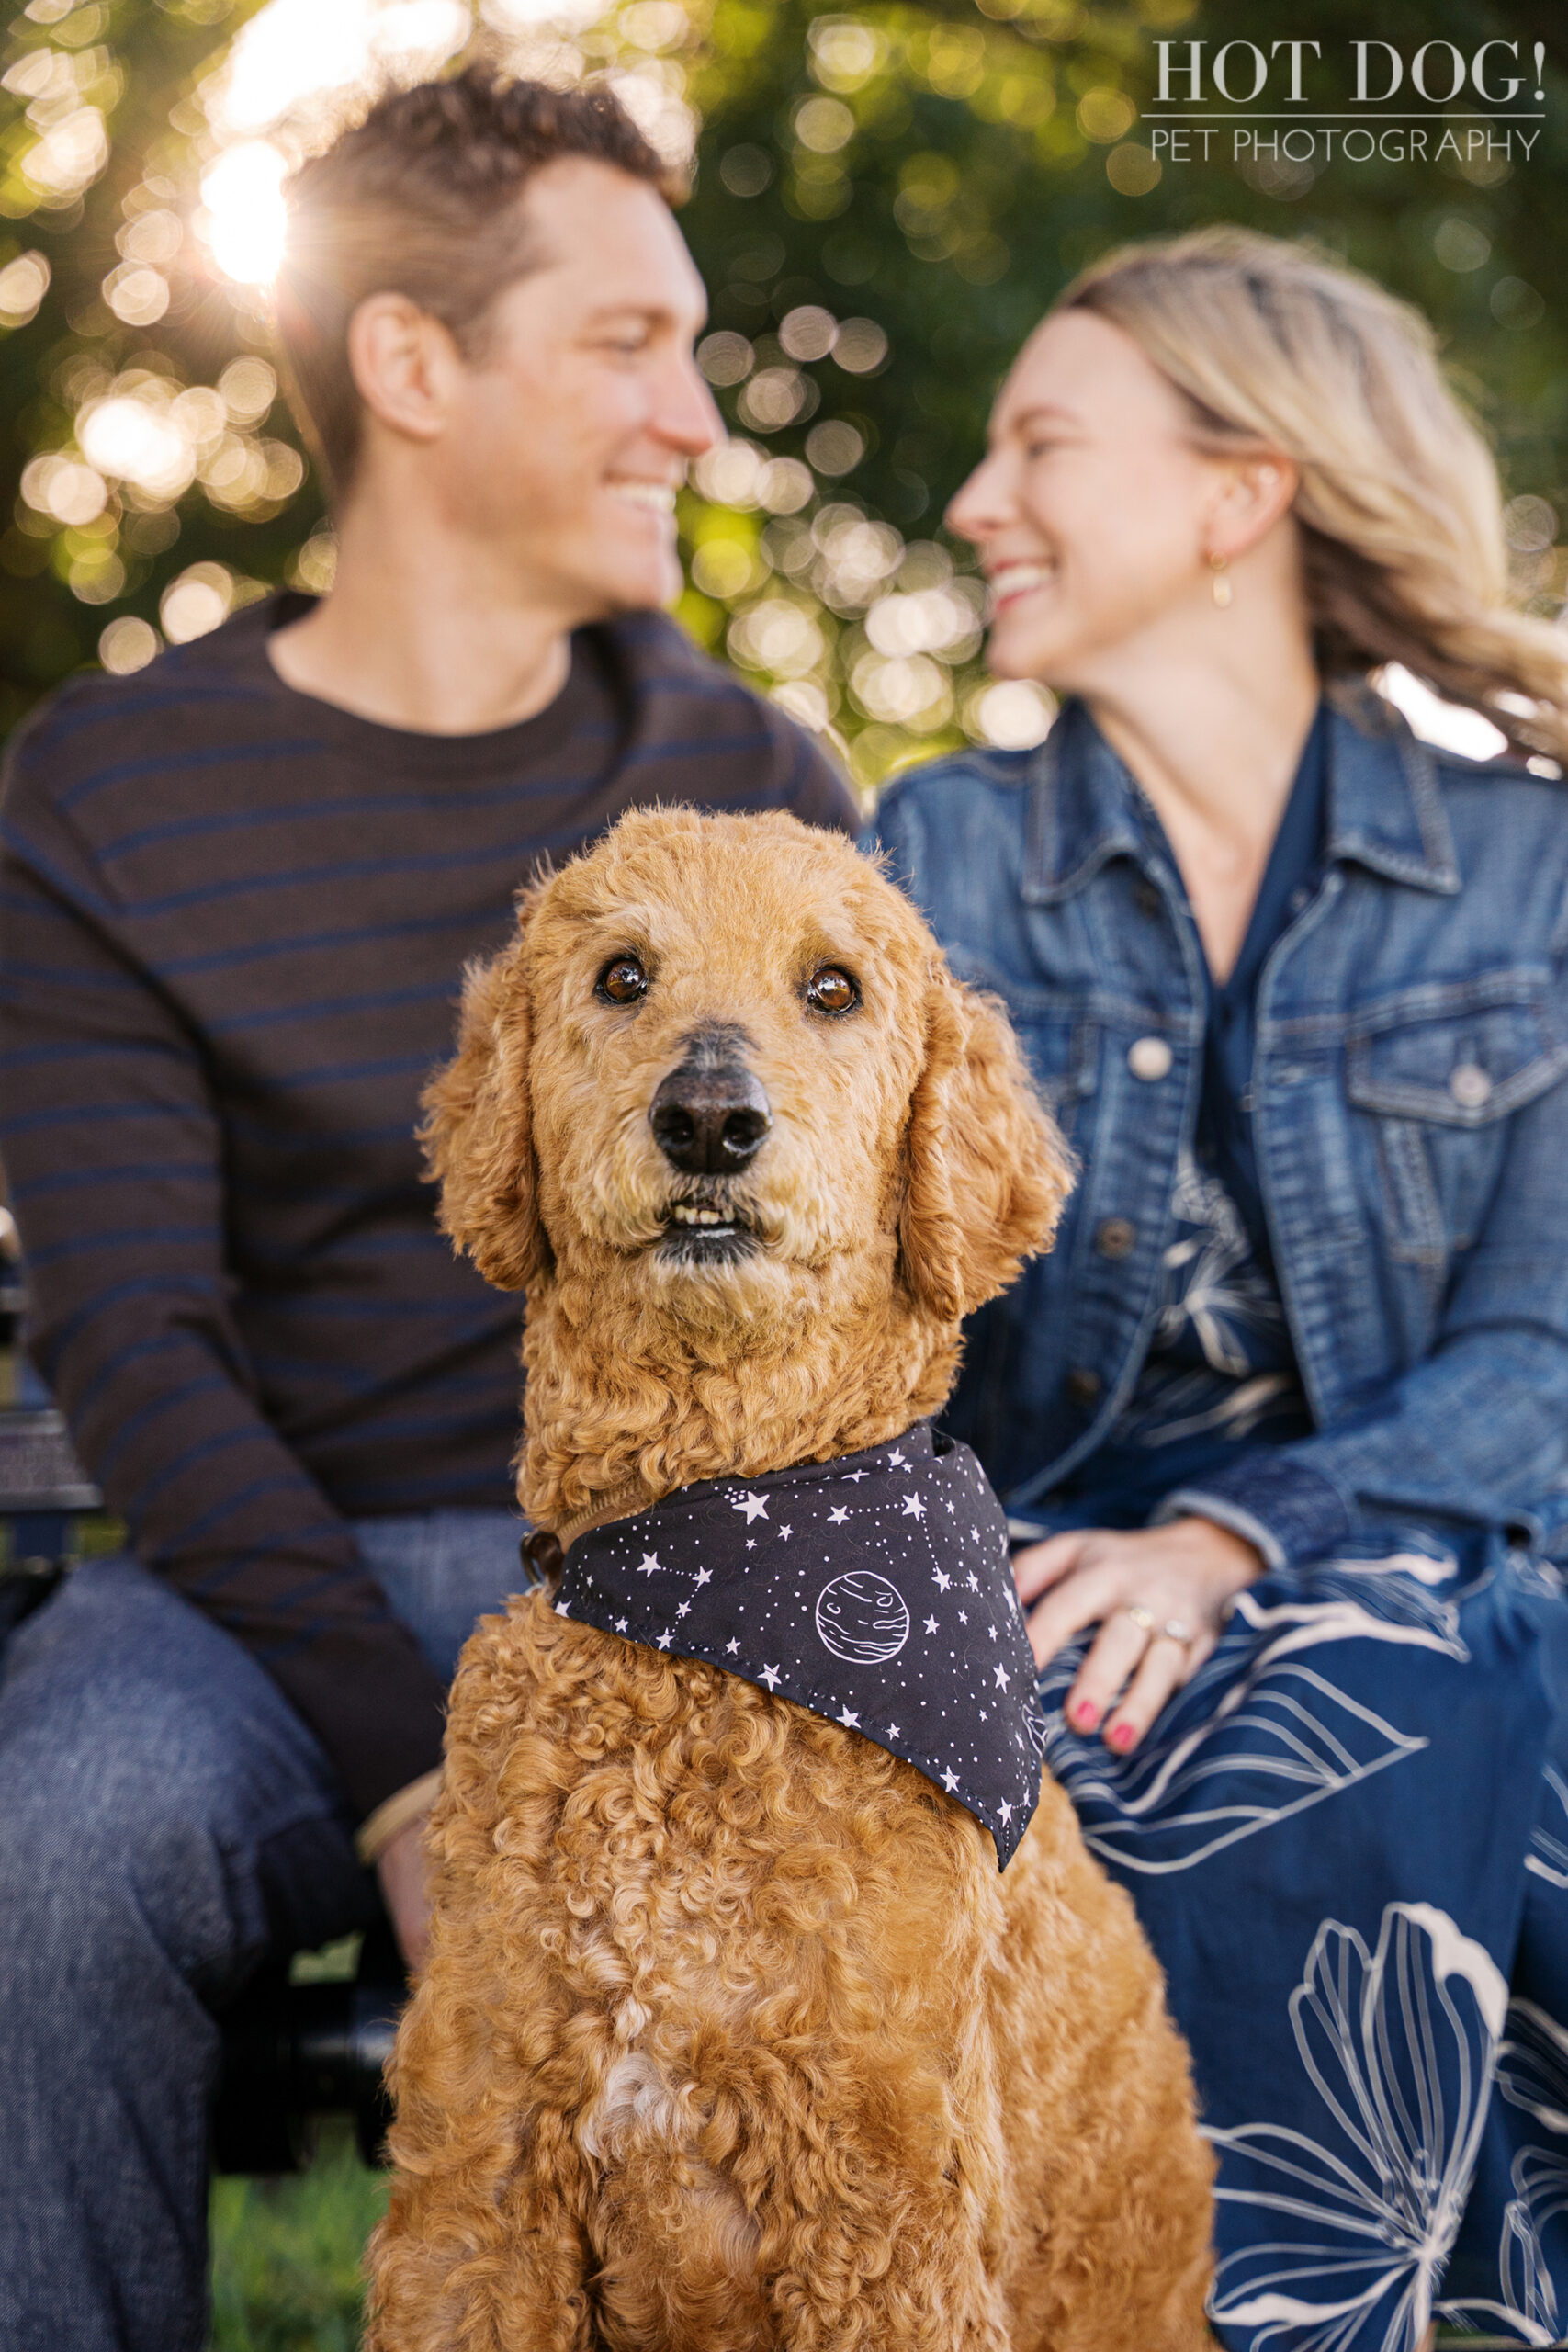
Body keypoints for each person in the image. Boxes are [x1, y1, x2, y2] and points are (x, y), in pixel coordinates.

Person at [0, 68, 855, 2352]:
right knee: (57, 1844)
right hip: (256, 1566)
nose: (691, 412)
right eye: (623, 343)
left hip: (675, 1549)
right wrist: (412, 1768)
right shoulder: (107, 791)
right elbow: (134, 1345)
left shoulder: (754, 783)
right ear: (409, 363)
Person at [867, 227, 1568, 2352]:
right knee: (1143, 1749)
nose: (978, 504)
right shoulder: (936, 852)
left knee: (1410, 1688)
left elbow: (1542, 1348)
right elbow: (858, 1335)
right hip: (1037, 1571)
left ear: (1232, 493)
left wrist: (1228, 1536)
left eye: (1039, 445)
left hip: (1441, 1537)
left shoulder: (1528, 862)